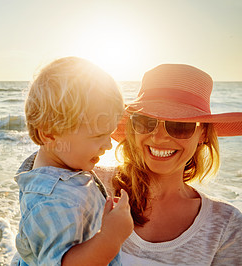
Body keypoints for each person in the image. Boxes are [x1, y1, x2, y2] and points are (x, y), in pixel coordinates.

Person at [100, 64, 242, 265]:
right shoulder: (90, 184)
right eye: (145, 121)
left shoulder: (226, 226)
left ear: (202, 133)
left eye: (179, 125)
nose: (158, 137)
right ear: (132, 126)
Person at [11, 57, 134, 266]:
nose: (108, 145)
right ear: (50, 133)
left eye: (110, 134)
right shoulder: (53, 201)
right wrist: (110, 238)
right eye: (98, 136)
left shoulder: (56, 166)